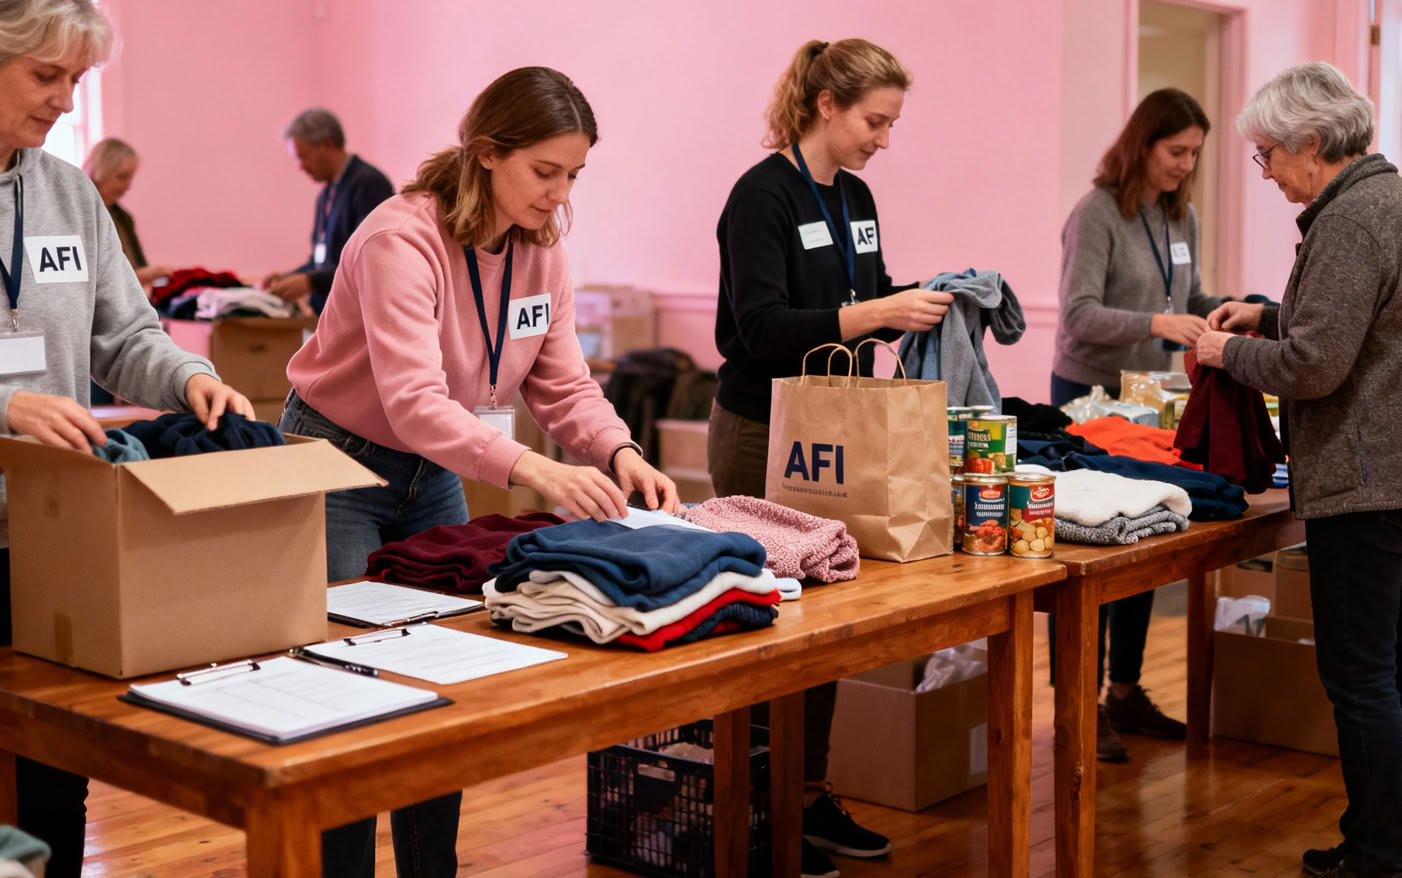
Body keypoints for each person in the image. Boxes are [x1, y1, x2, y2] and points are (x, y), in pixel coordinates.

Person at [280, 66, 679, 878]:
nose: (559, 194)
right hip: (337, 465)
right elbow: (414, 400)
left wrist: (621, 453)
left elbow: (563, 384)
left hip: (436, 471)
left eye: (574, 175)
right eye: (545, 172)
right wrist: (534, 468)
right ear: (488, 153)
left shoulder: (542, 247)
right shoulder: (402, 238)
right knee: (351, 695)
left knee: (441, 692)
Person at [0, 2, 253, 875]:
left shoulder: (68, 193)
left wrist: (186, 377)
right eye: (46, 76)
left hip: (51, 538)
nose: (66, 103)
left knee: (53, 772)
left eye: (77, 80)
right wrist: (5, 408)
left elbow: (125, 337)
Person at [708, 37, 953, 878]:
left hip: (834, 432)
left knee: (829, 619)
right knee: (763, 626)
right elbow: (762, 329)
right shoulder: (761, 196)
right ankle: (752, 811)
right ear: (825, 105)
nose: (882, 138)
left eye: (890, 124)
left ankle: (807, 796)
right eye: (873, 121)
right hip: (759, 431)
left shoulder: (856, 196)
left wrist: (927, 302)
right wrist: (875, 309)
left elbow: (867, 300)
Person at [1196, 62, 1402, 878]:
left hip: (1364, 480)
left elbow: (1317, 365)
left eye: (1269, 155)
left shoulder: (1351, 220)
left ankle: (1378, 853)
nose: (1268, 172)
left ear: (1312, 145)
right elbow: (1366, 320)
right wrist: (1269, 312)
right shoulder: (1385, 199)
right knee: (1385, 672)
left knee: (1359, 679)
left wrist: (1226, 348)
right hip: (1386, 471)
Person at [1049, 88, 1228, 764]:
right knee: (1096, 552)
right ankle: (1080, 703)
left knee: (1148, 537)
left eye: (1194, 155)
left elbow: (1189, 298)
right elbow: (1077, 314)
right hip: (1088, 397)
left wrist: (1230, 309)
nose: (1186, 165)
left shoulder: (1180, 216)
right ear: (1143, 144)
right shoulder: (1096, 212)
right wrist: (1156, 323)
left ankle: (1124, 691)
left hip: (1151, 397)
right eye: (1176, 151)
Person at [262, 107, 393, 314]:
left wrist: (311, 282)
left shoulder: (369, 184)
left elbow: (369, 261)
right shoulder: (326, 195)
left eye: (304, 157)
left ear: (328, 144)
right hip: (327, 315)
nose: (301, 167)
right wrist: (289, 278)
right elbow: (323, 262)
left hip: (358, 318)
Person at [82, 137, 170, 288]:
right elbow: (89, 280)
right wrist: (147, 274)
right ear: (99, 172)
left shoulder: (123, 218)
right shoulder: (80, 216)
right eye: (122, 177)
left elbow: (138, 267)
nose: (128, 186)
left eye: (130, 178)